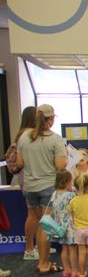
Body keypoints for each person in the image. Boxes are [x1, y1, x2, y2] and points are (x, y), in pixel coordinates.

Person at [16, 104, 67, 274]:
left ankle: (42, 260)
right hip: (47, 187)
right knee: (45, 226)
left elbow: (20, 164)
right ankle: (44, 263)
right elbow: (60, 166)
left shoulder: (24, 138)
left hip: (30, 188)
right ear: (51, 119)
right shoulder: (55, 139)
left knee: (38, 223)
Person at [10, 106, 40, 259]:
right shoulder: (27, 135)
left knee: (38, 215)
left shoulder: (23, 134)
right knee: (33, 214)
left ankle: (37, 246)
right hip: (30, 179)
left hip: (31, 179)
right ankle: (29, 249)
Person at [45, 170, 78, 277]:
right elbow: (75, 209)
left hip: (59, 226)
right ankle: (74, 271)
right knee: (72, 249)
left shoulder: (54, 194)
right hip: (70, 226)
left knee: (64, 249)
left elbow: (52, 209)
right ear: (67, 182)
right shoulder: (71, 195)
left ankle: (66, 270)